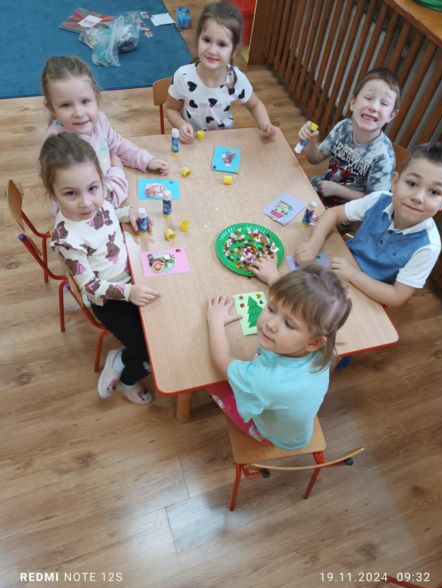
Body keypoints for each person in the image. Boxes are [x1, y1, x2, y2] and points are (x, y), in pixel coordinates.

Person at [39, 132, 160, 405]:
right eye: (71, 193)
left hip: (132, 277)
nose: (86, 202)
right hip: (109, 300)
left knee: (162, 328)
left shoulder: (98, 201)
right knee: (148, 351)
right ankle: (127, 379)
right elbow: (91, 286)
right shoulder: (67, 238)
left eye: (93, 188)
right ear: (53, 194)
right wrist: (129, 293)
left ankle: (124, 358)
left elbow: (108, 213)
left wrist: (127, 212)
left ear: (100, 181)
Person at [206, 264, 352, 450]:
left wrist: (215, 321)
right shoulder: (321, 346)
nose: (270, 324)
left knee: (210, 382)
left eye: (289, 324)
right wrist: (273, 278)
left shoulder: (263, 380)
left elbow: (221, 361)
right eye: (271, 308)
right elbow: (296, 306)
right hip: (295, 429)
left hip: (270, 435)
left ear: (314, 342)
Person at [295, 142, 442, 307]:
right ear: (395, 182)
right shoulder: (379, 199)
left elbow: (397, 297)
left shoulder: (429, 247)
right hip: (342, 263)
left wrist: (353, 275)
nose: (418, 197)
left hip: (371, 294)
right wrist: (313, 245)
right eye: (412, 184)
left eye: (435, 192)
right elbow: (333, 214)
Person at [41, 55, 168, 208]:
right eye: (66, 105)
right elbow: (96, 204)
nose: (79, 113)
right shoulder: (58, 148)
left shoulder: (99, 121)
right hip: (93, 211)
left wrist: (145, 160)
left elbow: (118, 145)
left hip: (109, 190)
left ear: (96, 96)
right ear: (51, 108)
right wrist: (118, 171)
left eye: (85, 101)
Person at [165, 2, 274, 143]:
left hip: (223, 142)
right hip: (192, 143)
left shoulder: (236, 78)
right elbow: (171, 109)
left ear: (233, 50)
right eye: (206, 40)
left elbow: (256, 105)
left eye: (222, 44)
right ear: (198, 39)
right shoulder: (183, 76)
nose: (212, 50)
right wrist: (181, 125)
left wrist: (265, 124)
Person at [297, 68, 401, 207]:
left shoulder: (383, 158)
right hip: (320, 193)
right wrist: (310, 141)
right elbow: (314, 159)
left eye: (384, 103)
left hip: (348, 212)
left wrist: (338, 190)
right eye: (368, 98)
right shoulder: (343, 127)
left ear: (391, 115)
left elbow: (375, 202)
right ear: (353, 103)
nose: (374, 107)